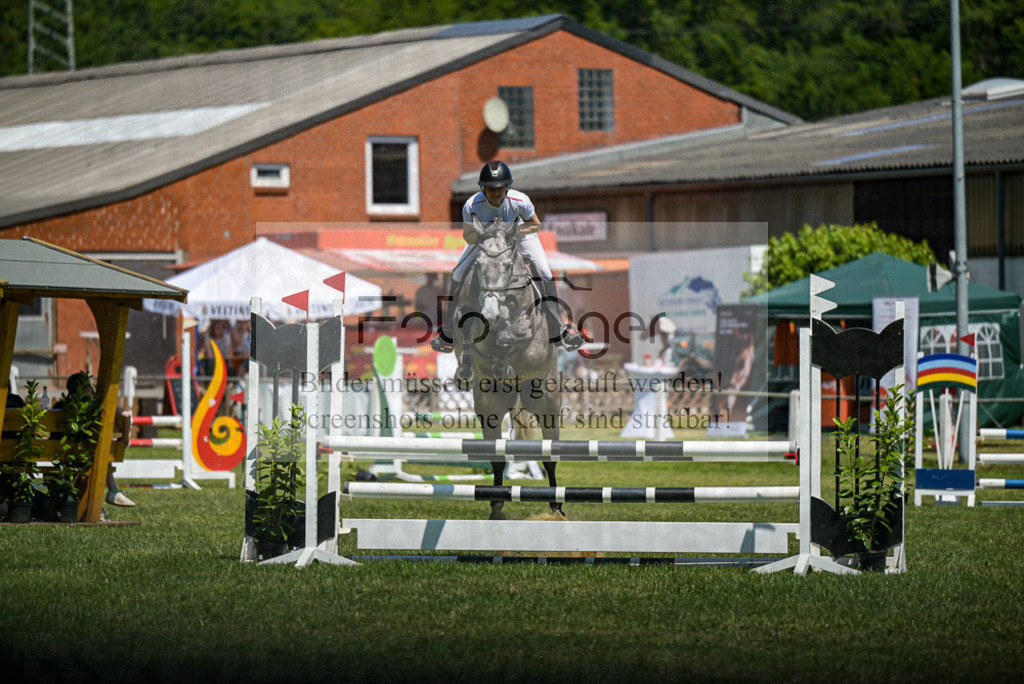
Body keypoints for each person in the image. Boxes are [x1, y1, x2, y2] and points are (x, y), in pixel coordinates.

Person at [431, 160, 584, 356]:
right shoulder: (472, 205)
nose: (496, 193)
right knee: (458, 272)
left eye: (500, 189)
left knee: (545, 271)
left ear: (507, 188)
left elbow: (535, 225)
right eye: (491, 189)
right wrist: (489, 235)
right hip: (484, 238)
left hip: (519, 234)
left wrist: (510, 232)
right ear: (483, 189)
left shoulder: (520, 201)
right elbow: (468, 236)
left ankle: (558, 328)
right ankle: (449, 332)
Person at [53, 372, 135, 508]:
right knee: (98, 452)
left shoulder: (60, 407)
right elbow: (126, 415)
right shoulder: (94, 407)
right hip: (86, 456)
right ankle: (112, 492)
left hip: (60, 455)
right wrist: (125, 437)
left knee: (96, 452)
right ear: (86, 389)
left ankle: (110, 496)